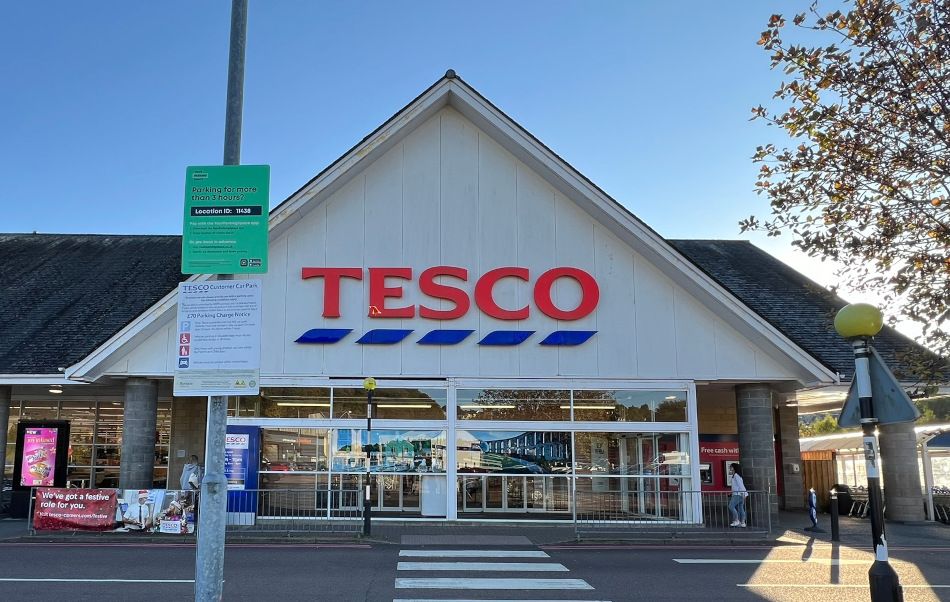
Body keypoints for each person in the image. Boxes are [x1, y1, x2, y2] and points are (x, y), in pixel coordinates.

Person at [728, 462, 748, 528]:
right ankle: (743, 522)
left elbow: (740, 485)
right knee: (741, 507)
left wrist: (743, 493)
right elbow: (738, 485)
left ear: (734, 468)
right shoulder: (736, 475)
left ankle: (736, 520)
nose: (730, 467)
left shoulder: (736, 475)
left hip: (738, 494)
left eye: (731, 466)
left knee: (731, 506)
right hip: (739, 493)